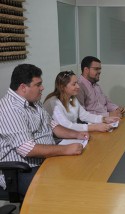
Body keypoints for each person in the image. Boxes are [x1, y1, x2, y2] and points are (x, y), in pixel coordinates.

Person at [0, 64, 89, 196]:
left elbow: (53, 125)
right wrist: (66, 149)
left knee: (80, 170)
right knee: (66, 185)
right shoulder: (9, 109)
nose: (42, 88)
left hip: (44, 160)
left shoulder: (33, 101)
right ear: (23, 87)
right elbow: (27, 148)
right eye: (38, 84)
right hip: (21, 171)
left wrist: (77, 135)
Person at [44, 71, 119, 132]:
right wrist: (94, 127)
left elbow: (85, 115)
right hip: (57, 139)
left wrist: (104, 119)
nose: (78, 86)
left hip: (72, 134)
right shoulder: (53, 103)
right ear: (63, 87)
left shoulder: (72, 98)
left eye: (77, 83)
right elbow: (66, 126)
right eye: (74, 84)